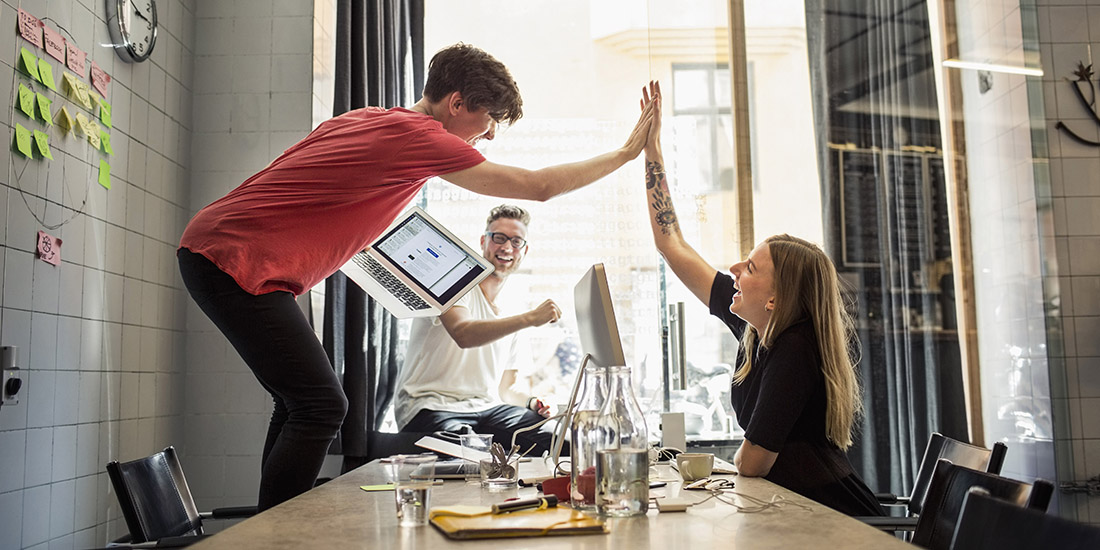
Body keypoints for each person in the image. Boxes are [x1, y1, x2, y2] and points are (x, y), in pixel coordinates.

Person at [177, 44, 658, 511]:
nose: (488, 136)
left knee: (299, 402)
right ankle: (276, 536)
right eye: (488, 121)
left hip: (225, 252)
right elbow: (540, 186)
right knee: (322, 405)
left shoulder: (371, 118)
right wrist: (626, 152)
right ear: (456, 104)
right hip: (230, 256)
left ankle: (270, 525)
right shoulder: (419, 137)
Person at [638, 81, 884, 516]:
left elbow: (754, 461)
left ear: (776, 298)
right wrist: (651, 150)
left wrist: (732, 463)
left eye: (749, 267)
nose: (734, 269)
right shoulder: (758, 332)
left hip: (835, 521)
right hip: (796, 508)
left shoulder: (794, 346)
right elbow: (671, 245)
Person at [395, 204, 560, 454]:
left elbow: (506, 389)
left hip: (487, 408)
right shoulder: (453, 283)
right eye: (499, 238)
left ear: (524, 251)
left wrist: (532, 402)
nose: (506, 248)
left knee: (557, 441)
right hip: (430, 407)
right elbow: (464, 333)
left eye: (516, 242)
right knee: (470, 454)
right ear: (484, 241)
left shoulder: (513, 307)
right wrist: (530, 318)